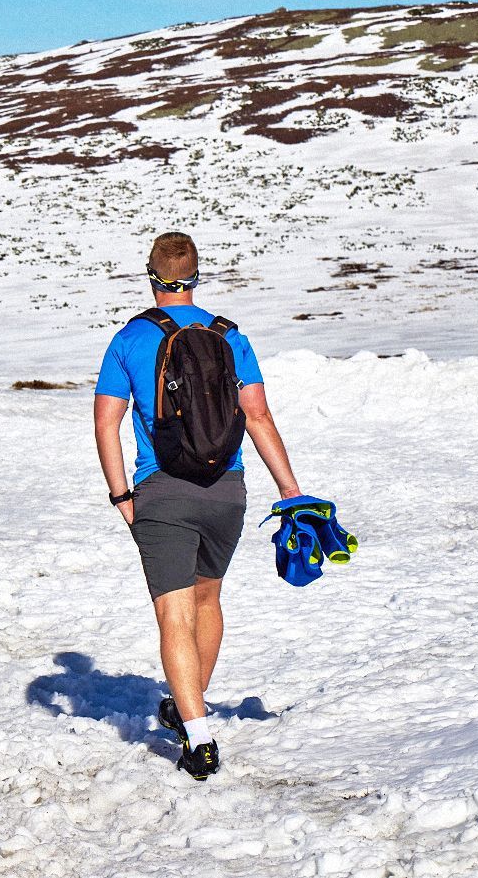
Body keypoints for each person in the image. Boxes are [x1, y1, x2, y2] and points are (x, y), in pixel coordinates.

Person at [93, 232, 302, 780]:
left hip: (161, 488)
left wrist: (121, 495)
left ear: (151, 276)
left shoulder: (131, 339)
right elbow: (257, 415)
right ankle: (190, 705)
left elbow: (105, 422)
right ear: (197, 277)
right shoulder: (229, 336)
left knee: (173, 612)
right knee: (207, 601)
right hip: (226, 490)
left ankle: (198, 736)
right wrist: (290, 490)